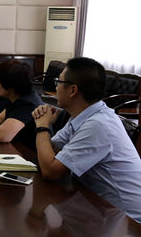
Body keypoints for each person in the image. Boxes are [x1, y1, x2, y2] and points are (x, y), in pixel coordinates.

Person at [31, 57, 141, 221]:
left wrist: (42, 126)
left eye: (58, 82)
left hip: (128, 221)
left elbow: (50, 172)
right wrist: (44, 128)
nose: (56, 87)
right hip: (97, 206)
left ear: (72, 90)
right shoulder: (82, 116)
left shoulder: (98, 125)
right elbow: (49, 153)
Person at [0, 59, 42, 149]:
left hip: (28, 153)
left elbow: (2, 136)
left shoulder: (27, 104)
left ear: (8, 84)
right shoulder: (16, 97)